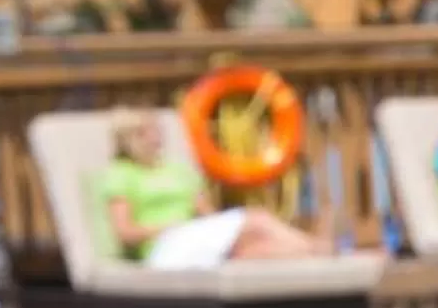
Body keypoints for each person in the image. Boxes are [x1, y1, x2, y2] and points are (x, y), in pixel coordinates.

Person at [100, 109, 327, 268]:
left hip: (191, 239)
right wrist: (168, 227)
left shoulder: (177, 170)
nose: (156, 137)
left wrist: (216, 226)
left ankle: (314, 255)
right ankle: (316, 246)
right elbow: (125, 232)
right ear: (129, 138)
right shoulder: (121, 174)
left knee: (250, 249)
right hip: (162, 249)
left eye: (157, 130)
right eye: (147, 132)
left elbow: (208, 214)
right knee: (256, 218)